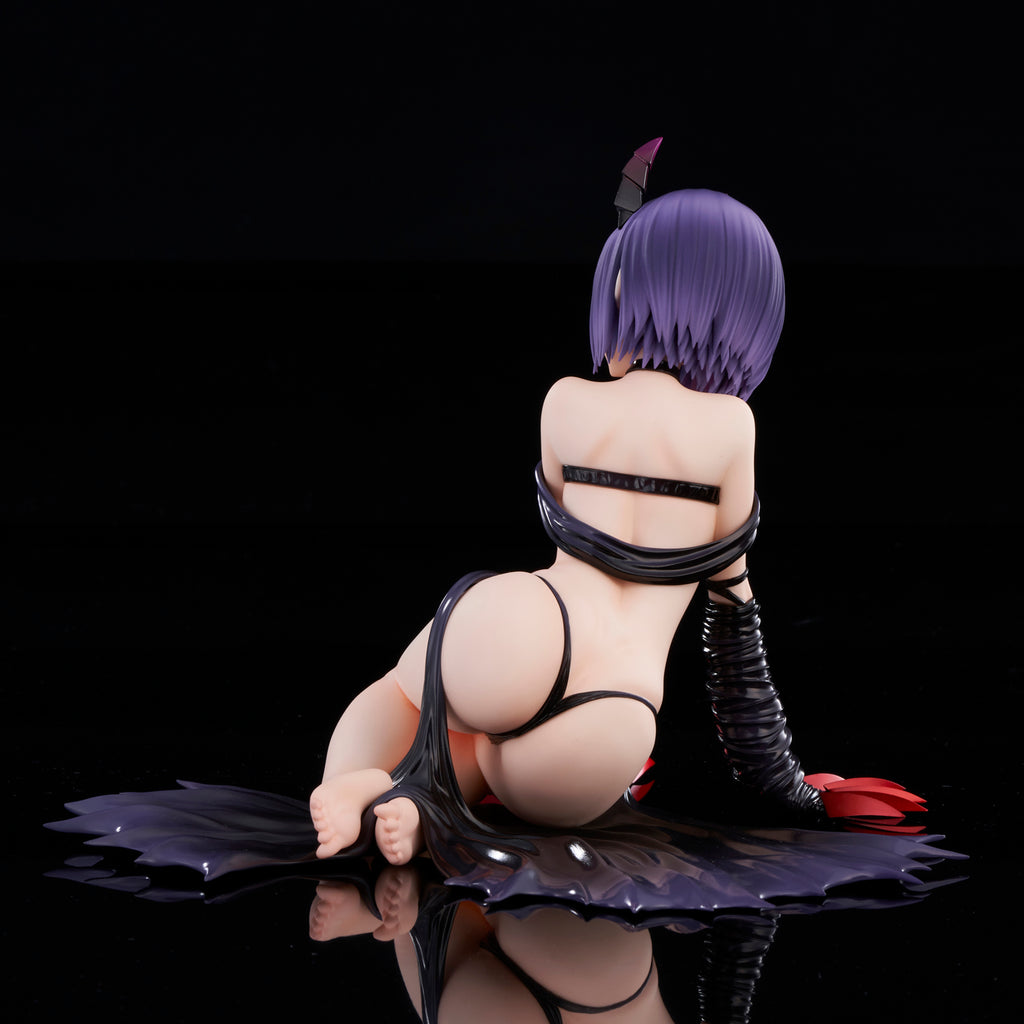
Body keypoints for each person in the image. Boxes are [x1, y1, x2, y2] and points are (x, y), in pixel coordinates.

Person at [309, 140, 919, 869]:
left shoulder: (565, 401)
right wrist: (790, 788)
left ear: (628, 285)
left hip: (521, 624)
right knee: (498, 763)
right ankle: (424, 809)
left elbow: (569, 521)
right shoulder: (732, 429)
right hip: (610, 718)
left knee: (407, 698)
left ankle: (356, 784)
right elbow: (734, 638)